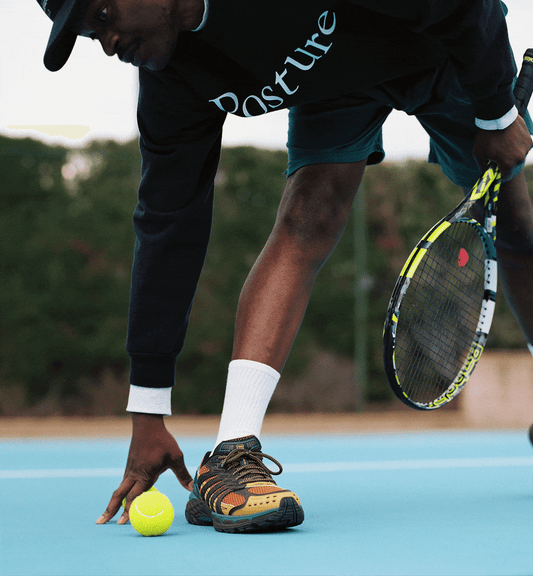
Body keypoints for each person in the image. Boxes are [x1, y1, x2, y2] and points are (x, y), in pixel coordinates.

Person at [35, 0, 533, 533]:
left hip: (436, 48)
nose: (108, 43)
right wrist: (147, 411)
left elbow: (464, 5)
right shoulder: (171, 76)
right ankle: (231, 456)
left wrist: (497, 114)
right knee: (305, 219)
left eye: (103, 15)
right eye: (91, 35)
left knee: (515, 225)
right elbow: (167, 225)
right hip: (334, 83)